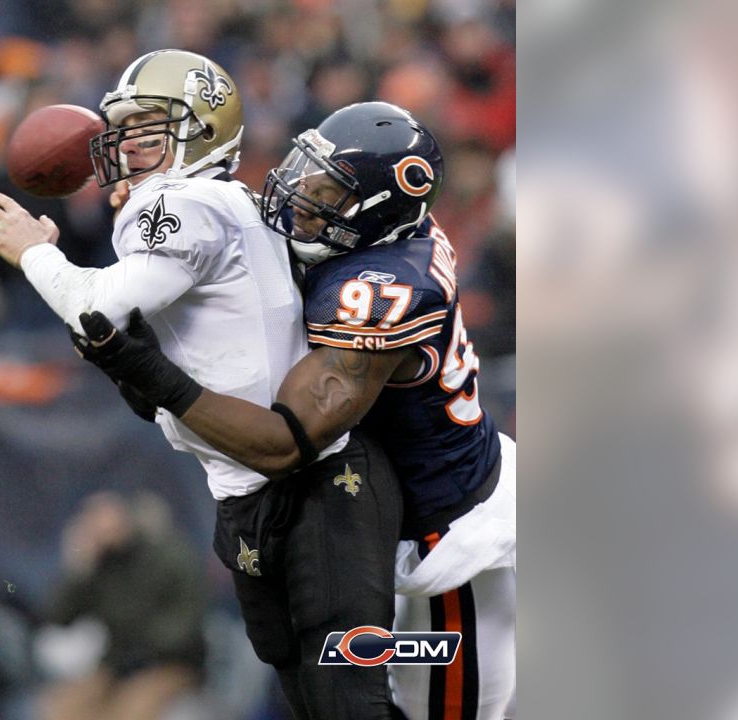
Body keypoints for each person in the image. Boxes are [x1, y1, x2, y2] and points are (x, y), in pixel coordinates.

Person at [0, 50, 406, 719]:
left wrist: (33, 252)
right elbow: (145, 340)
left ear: (201, 129)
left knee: (348, 691)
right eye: (124, 125)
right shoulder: (207, 200)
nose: (124, 141)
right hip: (250, 484)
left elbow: (97, 307)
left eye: (146, 124)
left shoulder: (185, 200)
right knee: (306, 684)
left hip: (307, 485)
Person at [76, 102, 516, 720]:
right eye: (307, 171)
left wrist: (149, 371)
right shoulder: (361, 234)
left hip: (449, 542)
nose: (302, 195)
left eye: (330, 189)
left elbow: (282, 441)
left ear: (379, 211)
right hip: (376, 513)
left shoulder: (381, 286)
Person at [40, 491, 207, 720]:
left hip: (170, 664)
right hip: (117, 666)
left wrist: (140, 643)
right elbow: (59, 618)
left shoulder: (167, 555)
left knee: (131, 710)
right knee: (62, 706)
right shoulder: (99, 565)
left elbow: (186, 622)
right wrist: (80, 568)